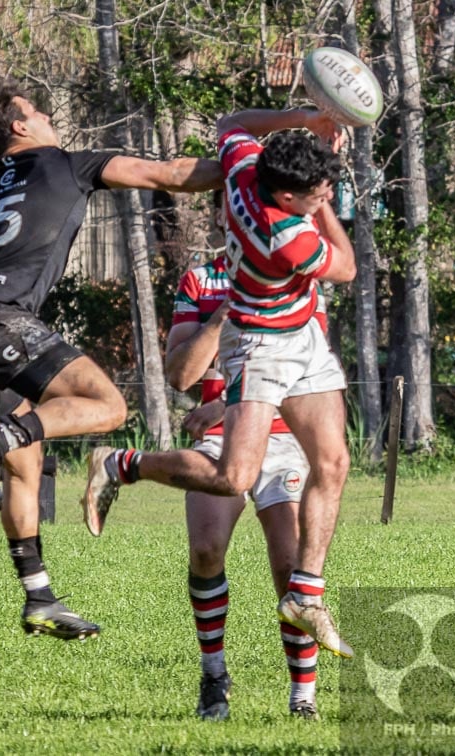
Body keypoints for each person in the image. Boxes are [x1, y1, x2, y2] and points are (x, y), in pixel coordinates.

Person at [0, 83, 221, 640]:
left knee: (26, 463)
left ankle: (40, 598)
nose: (47, 115)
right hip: (0, 321)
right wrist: (248, 169)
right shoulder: (68, 165)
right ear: (20, 127)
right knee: (107, 406)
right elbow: (169, 174)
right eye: (37, 110)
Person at [82, 106, 357, 660]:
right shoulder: (286, 237)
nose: (326, 195)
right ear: (287, 198)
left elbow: (232, 122)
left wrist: (305, 118)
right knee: (234, 477)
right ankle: (121, 464)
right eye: (317, 192)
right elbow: (346, 266)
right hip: (261, 344)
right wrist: (325, 206)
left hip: (302, 335)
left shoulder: (246, 168)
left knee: (333, 463)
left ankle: (306, 593)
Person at [168, 190, 325, 720]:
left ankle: (302, 696)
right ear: (222, 214)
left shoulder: (300, 273)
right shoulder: (200, 281)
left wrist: (223, 404)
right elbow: (181, 376)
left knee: (290, 565)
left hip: (282, 435)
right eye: (237, 207)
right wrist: (225, 313)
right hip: (222, 439)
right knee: (206, 549)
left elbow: (308, 371)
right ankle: (214, 676)